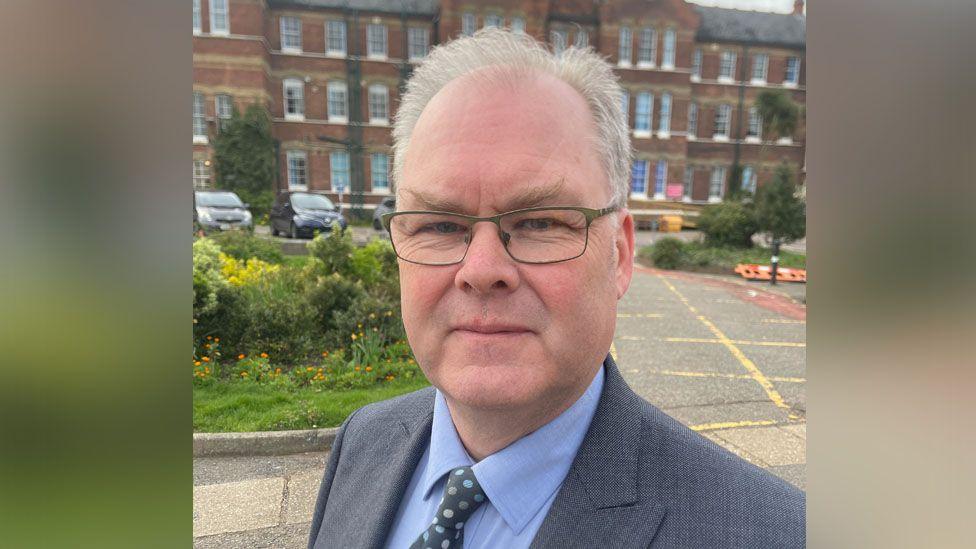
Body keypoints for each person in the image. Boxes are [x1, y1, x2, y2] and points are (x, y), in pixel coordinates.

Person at [308, 29, 804, 549]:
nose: (480, 269)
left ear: (619, 254)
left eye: (540, 223)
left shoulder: (775, 533)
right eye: (439, 225)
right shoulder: (362, 442)